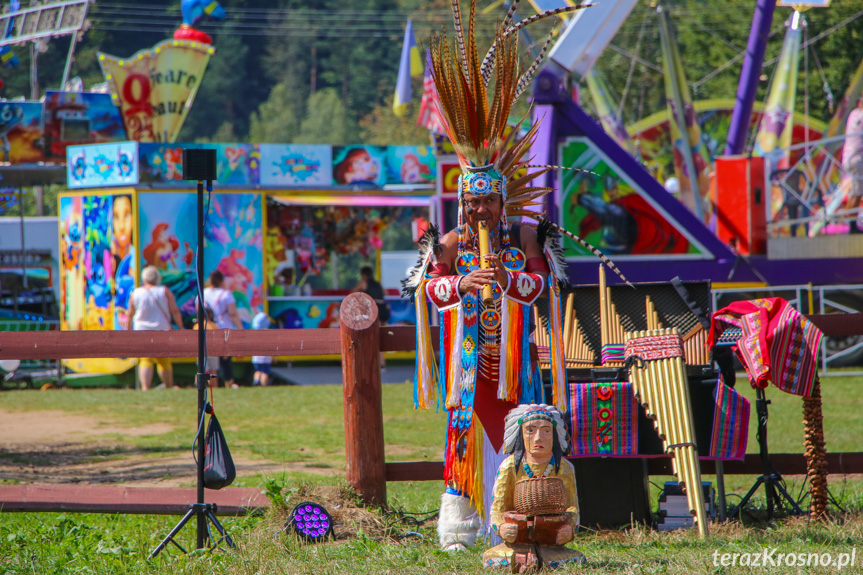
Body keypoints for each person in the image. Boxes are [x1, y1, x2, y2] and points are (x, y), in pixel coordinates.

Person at [483, 404, 583, 569]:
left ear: (555, 435)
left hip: (551, 540)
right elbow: (497, 508)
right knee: (495, 559)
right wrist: (502, 528)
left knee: (569, 558)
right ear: (520, 435)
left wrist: (568, 530)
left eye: (546, 431)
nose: (538, 438)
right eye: (530, 430)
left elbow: (572, 506)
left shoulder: (564, 468)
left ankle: (545, 553)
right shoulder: (509, 467)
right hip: (518, 540)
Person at [125, 265, 184, 390]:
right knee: (164, 360)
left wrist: (128, 331)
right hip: (162, 329)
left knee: (146, 360)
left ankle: (145, 387)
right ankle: (169, 387)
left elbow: (130, 314)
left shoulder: (136, 293)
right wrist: (180, 328)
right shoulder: (164, 291)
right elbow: (175, 311)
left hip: (142, 330)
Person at [203, 270, 244, 388]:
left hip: (209, 329)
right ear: (221, 281)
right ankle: (228, 383)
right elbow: (233, 313)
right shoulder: (226, 294)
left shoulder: (203, 293)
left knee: (210, 360)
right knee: (226, 360)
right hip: (224, 330)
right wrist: (240, 329)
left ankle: (211, 386)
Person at [842, 96, 863, 233]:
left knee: (855, 192)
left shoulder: (854, 114)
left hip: (848, 157)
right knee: (857, 192)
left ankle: (850, 223)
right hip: (857, 159)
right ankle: (851, 226)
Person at [251, 311, 272, 386]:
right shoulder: (268, 334)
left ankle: (256, 381)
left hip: (256, 358)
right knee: (265, 372)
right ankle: (264, 385)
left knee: (257, 371)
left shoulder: (254, 334)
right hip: (265, 358)